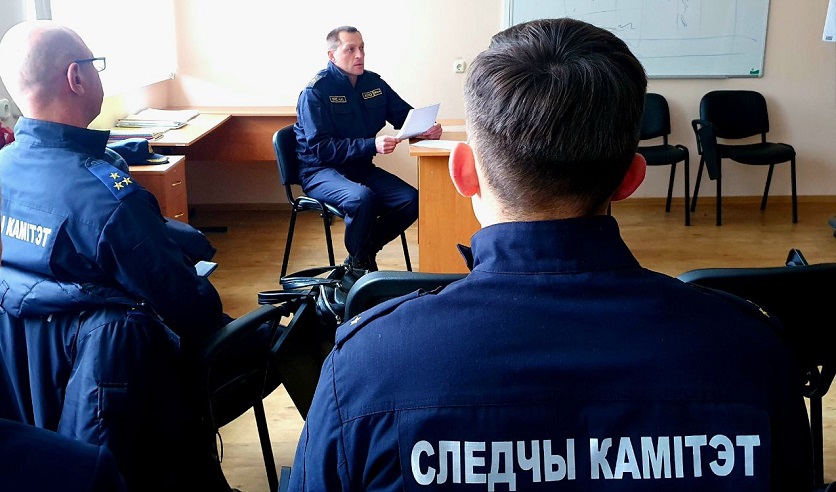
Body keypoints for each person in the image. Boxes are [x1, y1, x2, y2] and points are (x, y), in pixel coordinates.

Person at [289, 18, 815, 491]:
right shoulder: (752, 353)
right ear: (632, 178)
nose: (359, 54)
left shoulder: (364, 367)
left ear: (463, 173)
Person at [0, 20, 251, 491]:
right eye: (95, 65)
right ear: (76, 77)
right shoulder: (109, 201)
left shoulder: (4, 169)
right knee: (282, 335)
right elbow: (192, 310)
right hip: (131, 398)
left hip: (36, 405)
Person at [294, 25, 442, 272]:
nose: (359, 55)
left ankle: (361, 255)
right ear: (332, 55)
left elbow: (404, 116)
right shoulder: (315, 92)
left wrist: (426, 128)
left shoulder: (373, 83)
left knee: (412, 200)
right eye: (350, 49)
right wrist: (371, 145)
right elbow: (321, 148)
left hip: (360, 167)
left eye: (362, 48)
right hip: (320, 171)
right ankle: (360, 264)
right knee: (362, 199)